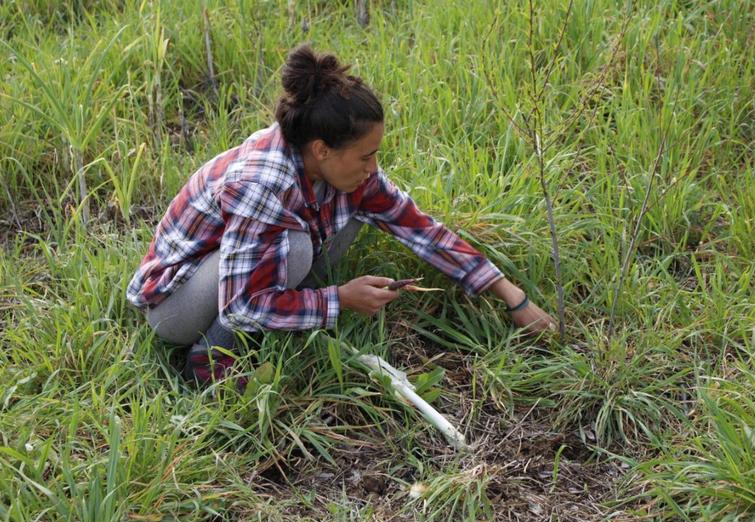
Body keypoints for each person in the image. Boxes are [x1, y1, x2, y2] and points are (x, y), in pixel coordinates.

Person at [127, 44, 557, 388]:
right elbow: (241, 306)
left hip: (236, 277)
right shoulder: (261, 184)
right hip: (177, 305)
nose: (373, 168)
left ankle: (292, 312)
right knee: (293, 248)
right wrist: (340, 300)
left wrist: (510, 294)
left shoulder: (337, 167)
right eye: (366, 156)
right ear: (321, 149)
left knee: (353, 213)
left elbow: (419, 228)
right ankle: (208, 364)